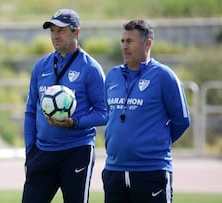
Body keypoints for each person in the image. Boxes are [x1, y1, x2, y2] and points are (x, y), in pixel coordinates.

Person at [22, 9, 108, 203]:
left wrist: (74, 122)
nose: (55, 35)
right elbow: (31, 111)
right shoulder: (41, 66)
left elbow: (104, 113)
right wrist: (30, 149)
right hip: (42, 152)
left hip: (76, 151)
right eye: (52, 30)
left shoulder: (90, 68)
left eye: (60, 30)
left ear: (76, 32)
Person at [102, 19, 191, 203]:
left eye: (130, 41)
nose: (125, 47)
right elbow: (109, 115)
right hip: (114, 171)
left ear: (147, 43)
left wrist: (154, 144)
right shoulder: (112, 75)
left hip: (151, 171)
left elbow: (182, 120)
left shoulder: (164, 76)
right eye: (123, 41)